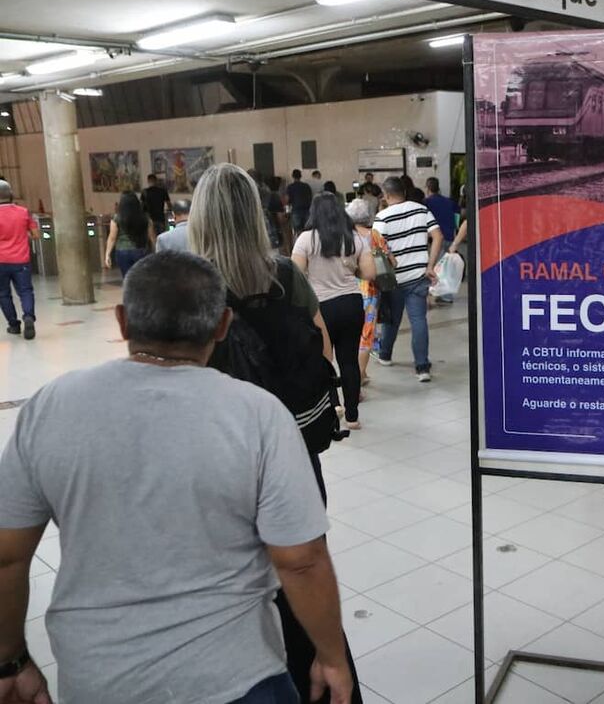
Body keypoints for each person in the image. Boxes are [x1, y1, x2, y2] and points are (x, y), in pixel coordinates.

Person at [0, 250, 353, 704]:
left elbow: (7, 556)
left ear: (123, 322)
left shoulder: (52, 406)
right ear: (223, 325)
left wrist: (9, 660)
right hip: (238, 678)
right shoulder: (258, 415)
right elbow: (301, 558)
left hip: (100, 679)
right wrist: (330, 657)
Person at [189, 163, 364, 704]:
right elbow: (321, 352)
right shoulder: (282, 275)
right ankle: (323, 672)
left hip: (210, 457)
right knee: (301, 571)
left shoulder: (184, 282)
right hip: (288, 449)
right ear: (255, 214)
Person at [292, 192, 375, 430]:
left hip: (320, 307)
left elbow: (295, 275)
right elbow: (369, 273)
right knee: (349, 360)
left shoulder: (306, 239)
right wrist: (350, 271)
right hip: (351, 303)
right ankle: (352, 417)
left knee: (324, 360)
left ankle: (334, 406)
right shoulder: (354, 238)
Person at [373, 176, 442, 382]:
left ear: (385, 195)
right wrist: (430, 265)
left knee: (392, 319)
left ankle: (385, 355)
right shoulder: (421, 210)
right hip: (418, 275)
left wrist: (392, 259)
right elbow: (437, 236)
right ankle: (422, 368)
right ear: (404, 191)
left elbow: (377, 248)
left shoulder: (382, 217)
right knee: (418, 320)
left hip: (393, 278)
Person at [350, 204, 392, 387]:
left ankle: (362, 372)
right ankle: (358, 378)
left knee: (351, 335)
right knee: (366, 334)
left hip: (347, 289)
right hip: (370, 290)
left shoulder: (345, 237)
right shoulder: (373, 235)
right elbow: (391, 261)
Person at [0, 180, 38, 340]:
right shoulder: (23, 212)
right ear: (11, 194)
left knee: (3, 294)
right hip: (21, 260)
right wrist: (23, 236)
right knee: (25, 291)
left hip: (1, 262)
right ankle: (28, 316)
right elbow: (36, 235)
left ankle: (14, 325)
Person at [104, 192, 156, 278]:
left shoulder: (116, 218)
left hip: (122, 251)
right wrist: (155, 250)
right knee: (141, 278)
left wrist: (107, 255)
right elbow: (152, 236)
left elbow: (112, 238)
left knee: (127, 278)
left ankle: (129, 291)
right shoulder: (145, 218)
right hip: (141, 250)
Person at [286, 169, 313, 235]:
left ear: (293, 176)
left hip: (296, 210)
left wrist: (287, 211)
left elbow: (287, 200)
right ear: (300, 176)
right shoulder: (306, 186)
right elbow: (311, 197)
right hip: (307, 210)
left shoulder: (290, 187)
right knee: (307, 230)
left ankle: (300, 243)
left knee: (298, 231)